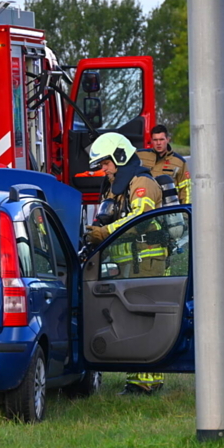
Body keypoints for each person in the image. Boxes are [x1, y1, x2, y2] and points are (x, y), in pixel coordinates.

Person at [81, 133, 167, 396]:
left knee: (144, 316)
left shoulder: (142, 183)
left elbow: (137, 220)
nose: (103, 169)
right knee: (129, 318)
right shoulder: (117, 185)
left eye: (105, 163)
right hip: (129, 262)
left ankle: (146, 382)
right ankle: (135, 378)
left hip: (147, 261)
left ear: (119, 156)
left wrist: (103, 233)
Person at [137, 124, 191, 205]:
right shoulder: (140, 155)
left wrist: (185, 214)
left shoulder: (179, 162)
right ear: (151, 140)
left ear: (168, 140)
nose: (158, 143)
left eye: (161, 139)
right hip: (146, 207)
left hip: (167, 208)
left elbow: (185, 191)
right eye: (155, 140)